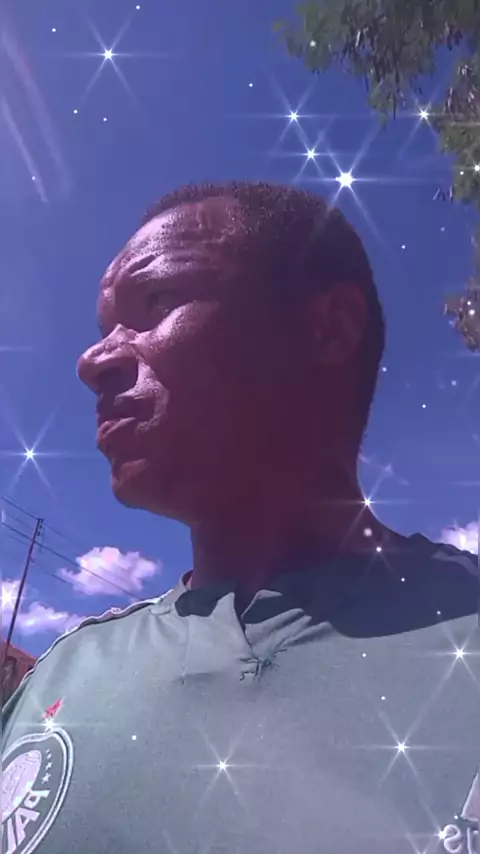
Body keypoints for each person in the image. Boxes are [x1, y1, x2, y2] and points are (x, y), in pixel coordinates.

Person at [2, 181, 478, 854]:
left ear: (327, 328)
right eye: (105, 328)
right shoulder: (53, 681)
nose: (93, 360)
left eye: (157, 300)